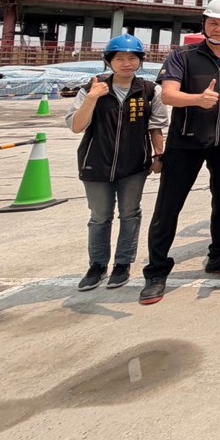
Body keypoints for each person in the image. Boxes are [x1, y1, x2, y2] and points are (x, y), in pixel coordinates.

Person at [140, 0, 220, 305]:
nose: (219, 29)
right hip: (185, 143)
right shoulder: (183, 56)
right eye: (213, 23)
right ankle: (157, 271)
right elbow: (168, 95)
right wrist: (197, 99)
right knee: (168, 207)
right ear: (204, 24)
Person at [68, 34, 167, 291]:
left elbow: (156, 126)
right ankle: (97, 265)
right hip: (96, 164)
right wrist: (92, 98)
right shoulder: (92, 88)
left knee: (130, 214)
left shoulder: (149, 90)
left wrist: (158, 156)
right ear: (109, 61)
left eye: (132, 58)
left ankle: (122, 264)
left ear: (140, 61)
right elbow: (77, 126)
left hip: (134, 165)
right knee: (100, 217)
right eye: (120, 58)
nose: (127, 63)